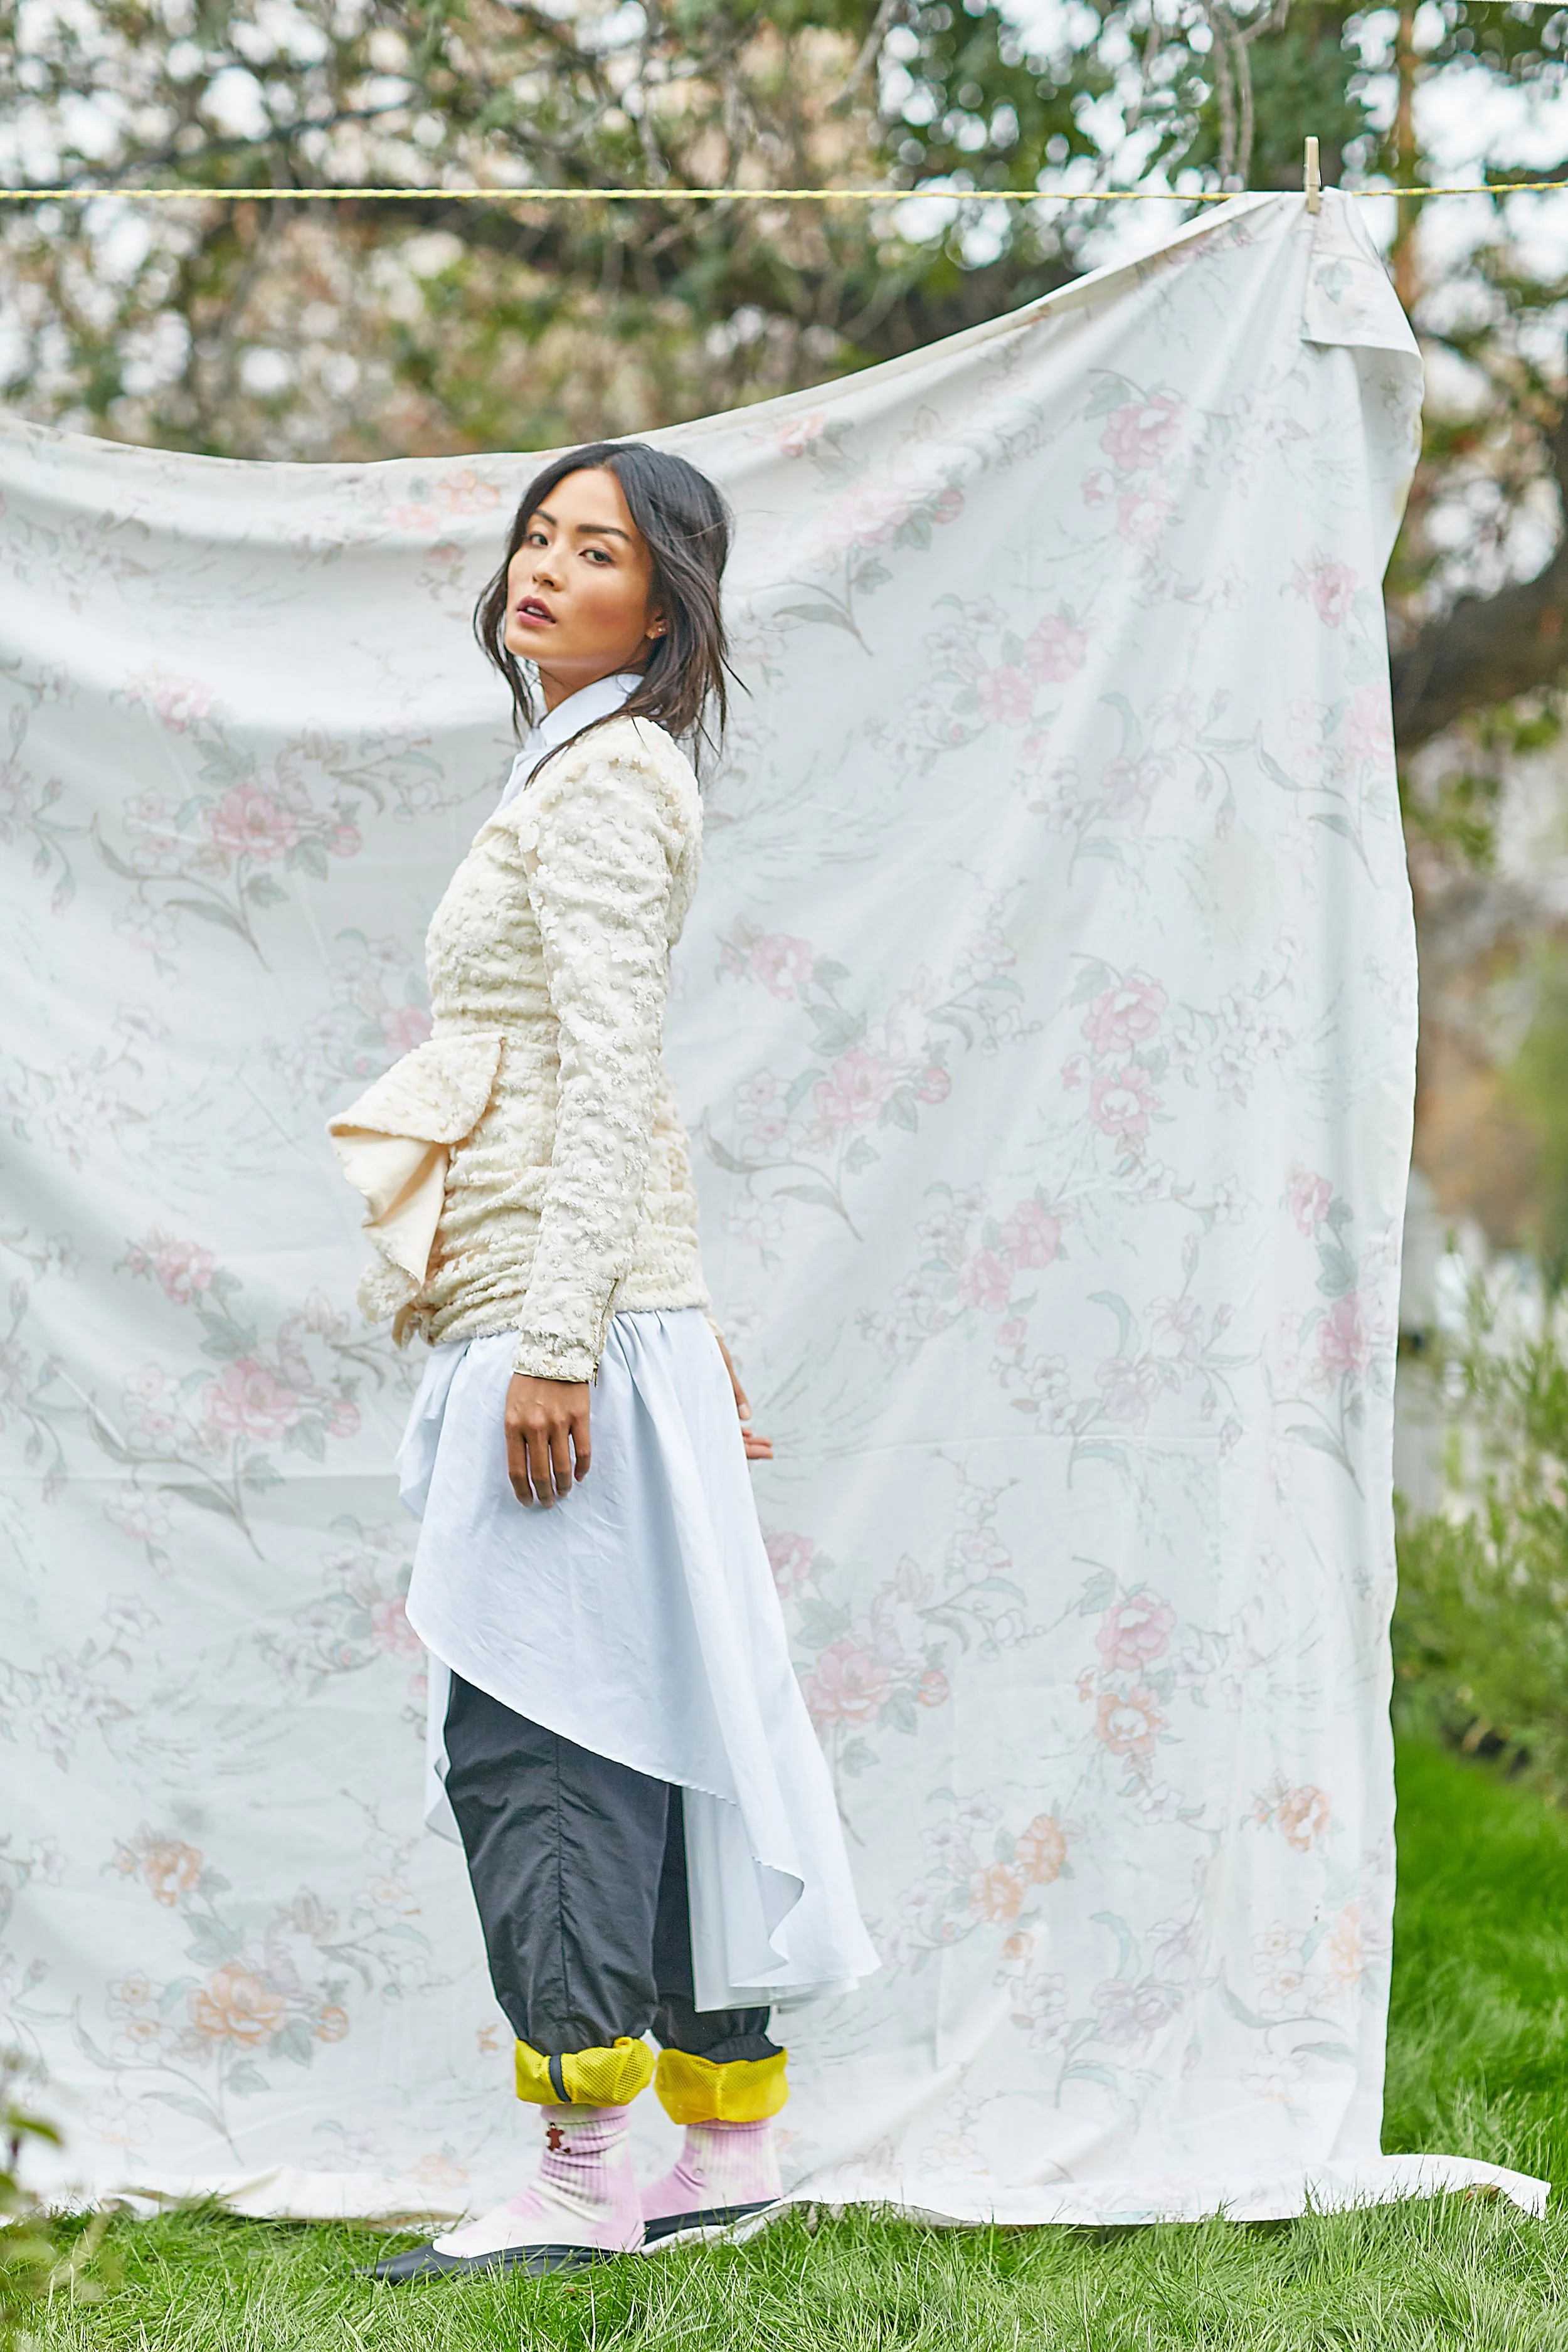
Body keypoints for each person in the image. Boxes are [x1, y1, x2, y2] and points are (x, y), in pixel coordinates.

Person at [328, 442, 876, 2280]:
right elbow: (607, 1088)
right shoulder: (571, 770)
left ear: (667, 607)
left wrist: (565, 1342)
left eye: (598, 550)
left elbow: (615, 1068)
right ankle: (723, 2159)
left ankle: (576, 2183)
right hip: (591, 1321)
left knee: (539, 1734)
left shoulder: (608, 782)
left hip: (557, 1338)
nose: (545, 568)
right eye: (537, 537)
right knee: (651, 1714)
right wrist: (675, 1323)